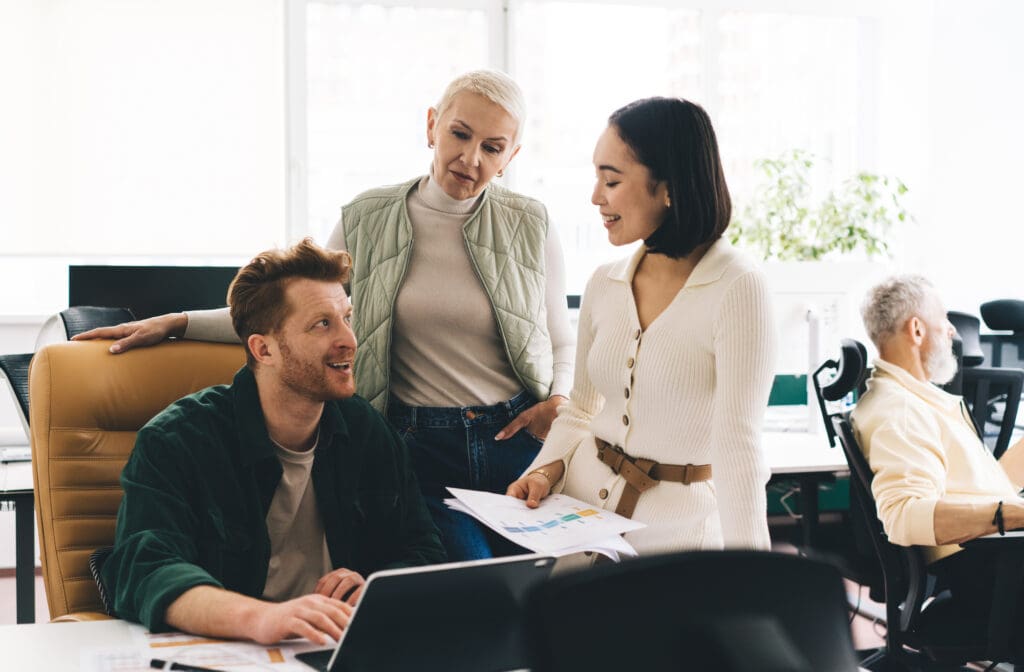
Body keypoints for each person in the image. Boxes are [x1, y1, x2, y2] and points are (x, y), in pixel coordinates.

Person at [76, 70, 574, 562]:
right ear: (431, 126)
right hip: (417, 447)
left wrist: (559, 401)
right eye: (459, 134)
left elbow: (560, 338)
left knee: (540, 586)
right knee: (467, 585)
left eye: (492, 147)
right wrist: (177, 322)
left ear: (511, 157)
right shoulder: (367, 217)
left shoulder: (532, 223)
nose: (470, 158)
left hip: (515, 440)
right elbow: (294, 313)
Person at [101, 239, 445, 644]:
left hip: (334, 647)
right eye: (322, 324)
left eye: (346, 318)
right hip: (232, 647)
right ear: (263, 349)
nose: (350, 341)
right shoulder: (178, 440)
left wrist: (374, 583)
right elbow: (147, 569)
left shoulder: (365, 429)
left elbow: (422, 551)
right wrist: (263, 618)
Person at [506, 97, 777, 564]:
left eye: (611, 180)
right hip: (578, 521)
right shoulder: (604, 282)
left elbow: (740, 450)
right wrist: (547, 470)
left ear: (669, 187)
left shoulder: (738, 287)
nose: (596, 196)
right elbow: (582, 409)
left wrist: (756, 579)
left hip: (678, 537)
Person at [853, 274, 1024, 618]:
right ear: (916, 330)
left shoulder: (912, 397)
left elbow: (971, 488)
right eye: (943, 319)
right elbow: (904, 515)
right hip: (990, 573)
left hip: (996, 557)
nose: (952, 331)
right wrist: (1016, 514)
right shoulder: (898, 410)